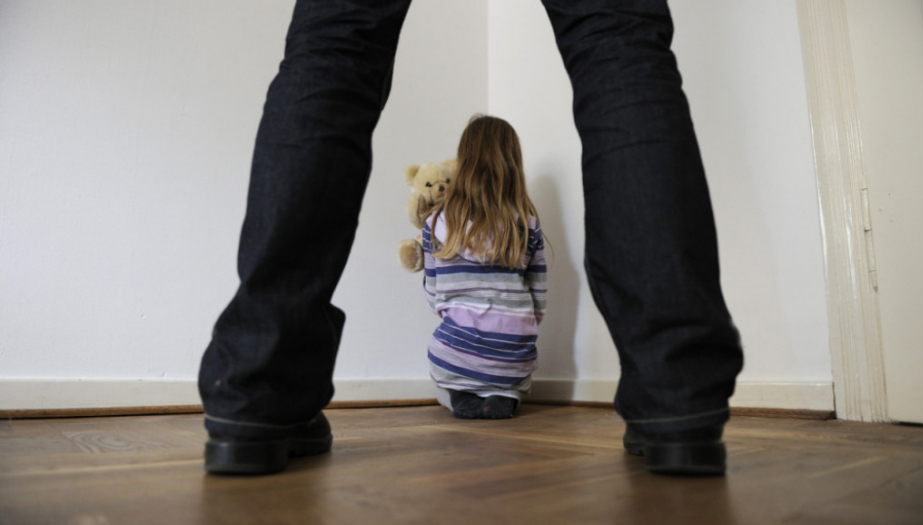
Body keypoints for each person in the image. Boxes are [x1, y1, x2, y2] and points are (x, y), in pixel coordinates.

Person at [199, 0, 743, 476]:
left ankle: (258, 392)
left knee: (334, 45)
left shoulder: (439, 222)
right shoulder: (523, 221)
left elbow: (435, 283)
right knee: (616, 41)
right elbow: (538, 286)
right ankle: (677, 396)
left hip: (455, 359)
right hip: (515, 362)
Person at [423, 115, 547, 420]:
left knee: (443, 364)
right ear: (513, 164)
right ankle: (505, 394)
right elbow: (539, 302)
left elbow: (434, 295)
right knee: (513, 378)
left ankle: (458, 395)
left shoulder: (436, 223)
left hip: (457, 353)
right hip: (512, 356)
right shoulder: (527, 225)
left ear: (464, 162)